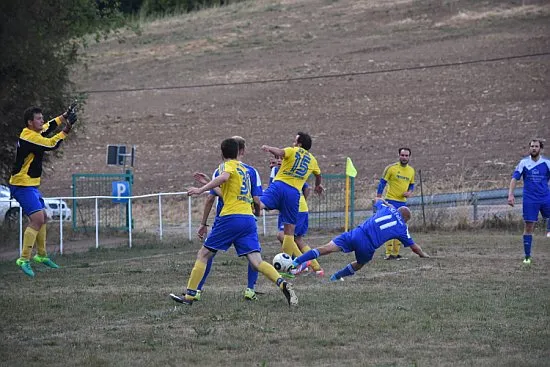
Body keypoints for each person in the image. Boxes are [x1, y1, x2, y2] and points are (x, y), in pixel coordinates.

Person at [170, 138, 297, 306]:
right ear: (238, 152)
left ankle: (190, 295)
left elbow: (223, 178)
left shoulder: (226, 166)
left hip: (230, 217)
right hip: (247, 219)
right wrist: (209, 182)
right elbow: (246, 197)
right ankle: (282, 283)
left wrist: (201, 189)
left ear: (222, 153)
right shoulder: (245, 171)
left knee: (203, 254)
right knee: (257, 261)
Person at [9, 104, 77, 277]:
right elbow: (50, 144)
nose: (42, 121)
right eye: (38, 119)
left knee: (44, 217)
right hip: (21, 184)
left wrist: (64, 116)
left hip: (30, 184)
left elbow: (49, 126)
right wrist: (66, 130)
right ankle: (24, 259)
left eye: (41, 117)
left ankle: (41, 256)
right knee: (38, 219)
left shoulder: (34, 132)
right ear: (30, 122)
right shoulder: (29, 137)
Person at [290, 199, 430, 282]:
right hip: (368, 246)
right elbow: (415, 247)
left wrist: (386, 203)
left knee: (326, 248)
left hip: (357, 233)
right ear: (406, 219)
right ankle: (336, 277)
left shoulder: (387, 209)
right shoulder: (402, 227)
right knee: (359, 264)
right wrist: (423, 255)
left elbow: (376, 200)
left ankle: (295, 262)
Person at [193, 136, 263, 301]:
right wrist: (257, 212)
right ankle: (250, 289)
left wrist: (203, 223)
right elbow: (257, 199)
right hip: (245, 217)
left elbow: (211, 198)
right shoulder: (251, 171)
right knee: (254, 254)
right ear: (242, 151)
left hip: (223, 218)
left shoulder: (220, 169)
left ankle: (196, 290)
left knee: (207, 253)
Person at [260, 132, 323, 264]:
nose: (293, 143)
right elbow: (318, 175)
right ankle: (290, 264)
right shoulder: (312, 160)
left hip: (279, 186)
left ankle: (248, 204)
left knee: (259, 204)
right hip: (293, 193)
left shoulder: (293, 151)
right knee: (290, 233)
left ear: (299, 144)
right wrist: (318, 186)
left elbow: (280, 152)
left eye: (295, 141)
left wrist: (269, 148)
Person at [271, 163, 324, 277]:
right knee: (297, 239)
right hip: (299, 208)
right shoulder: (288, 170)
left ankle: (301, 262)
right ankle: (316, 268)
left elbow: (307, 188)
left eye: (277, 159)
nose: (273, 163)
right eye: (271, 161)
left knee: (282, 235)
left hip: (295, 208)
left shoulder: (282, 171)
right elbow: (306, 187)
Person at [507, 139, 550, 265]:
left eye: (536, 146)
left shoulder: (547, 163)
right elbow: (514, 178)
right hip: (530, 199)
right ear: (529, 148)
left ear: (540, 149)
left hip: (545, 198)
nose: (534, 148)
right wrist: (510, 194)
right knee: (529, 226)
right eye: (532, 146)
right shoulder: (524, 163)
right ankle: (527, 256)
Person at [376, 147, 415, 260]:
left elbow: (411, 184)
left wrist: (409, 192)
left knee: (400, 228)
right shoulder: (391, 168)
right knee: (389, 227)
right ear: (399, 156)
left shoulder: (411, 170)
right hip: (390, 201)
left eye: (406, 155)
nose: (404, 157)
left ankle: (396, 253)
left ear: (409, 157)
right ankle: (388, 254)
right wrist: (378, 197)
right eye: (402, 155)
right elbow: (382, 183)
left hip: (402, 203)